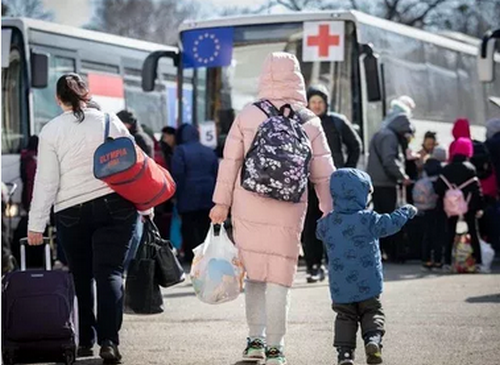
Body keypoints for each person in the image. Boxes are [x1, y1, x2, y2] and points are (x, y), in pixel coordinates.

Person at [210, 52, 335, 365]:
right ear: (298, 80)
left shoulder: (249, 114)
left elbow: (230, 163)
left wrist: (220, 203)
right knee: (280, 276)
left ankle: (255, 340)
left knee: (254, 274)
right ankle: (276, 347)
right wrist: (329, 208)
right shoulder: (310, 120)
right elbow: (323, 171)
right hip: (289, 207)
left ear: (264, 77)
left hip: (248, 202)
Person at [27, 73, 141, 363]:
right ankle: (109, 341)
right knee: (110, 273)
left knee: (81, 277)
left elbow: (46, 181)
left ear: (58, 99)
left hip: (71, 211)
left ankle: (85, 341)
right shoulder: (108, 120)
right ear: (87, 94)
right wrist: (145, 203)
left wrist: (36, 225)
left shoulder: (51, 130)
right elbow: (134, 161)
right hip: (115, 205)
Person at [316, 168, 417, 365]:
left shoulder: (328, 223)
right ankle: (373, 340)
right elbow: (391, 223)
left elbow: (318, 232)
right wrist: (407, 211)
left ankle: (345, 355)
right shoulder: (368, 219)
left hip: (340, 284)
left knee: (345, 316)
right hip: (368, 281)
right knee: (372, 311)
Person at [302, 85, 362, 282]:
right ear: (307, 103)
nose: (317, 106)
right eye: (313, 102)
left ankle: (336, 263)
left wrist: (346, 170)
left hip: (333, 184)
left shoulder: (337, 122)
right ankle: (314, 266)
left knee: (335, 224)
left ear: (326, 104)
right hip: (308, 183)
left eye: (320, 102)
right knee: (310, 226)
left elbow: (355, 146)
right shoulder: (301, 121)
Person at [366, 96, 415, 261]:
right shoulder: (390, 137)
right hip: (385, 183)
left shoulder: (382, 132)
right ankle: (393, 252)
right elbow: (389, 160)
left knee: (380, 216)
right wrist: (402, 176)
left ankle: (383, 251)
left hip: (377, 182)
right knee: (389, 218)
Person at [435, 137, 484, 272]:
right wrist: (479, 206)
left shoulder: (446, 169)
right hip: (469, 206)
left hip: (451, 206)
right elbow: (476, 190)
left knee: (450, 232)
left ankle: (447, 263)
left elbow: (438, 188)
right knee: (473, 232)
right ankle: (478, 262)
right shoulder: (470, 169)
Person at [172, 123, 218, 264]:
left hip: (188, 194)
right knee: (204, 225)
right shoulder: (209, 151)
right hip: (208, 194)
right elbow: (216, 172)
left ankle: (191, 256)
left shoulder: (181, 150)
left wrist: (176, 194)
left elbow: (177, 173)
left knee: (189, 226)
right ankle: (206, 255)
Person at [413, 158, 446, 270]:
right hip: (441, 210)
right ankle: (438, 260)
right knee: (439, 235)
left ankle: (426, 260)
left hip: (426, 211)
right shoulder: (442, 181)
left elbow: (416, 198)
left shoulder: (421, 183)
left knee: (427, 235)